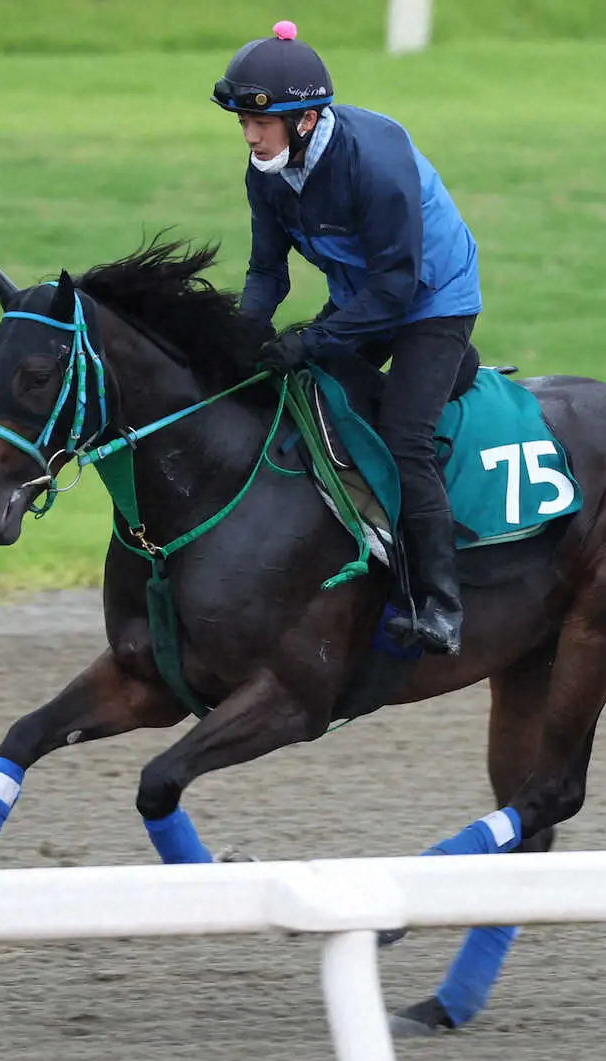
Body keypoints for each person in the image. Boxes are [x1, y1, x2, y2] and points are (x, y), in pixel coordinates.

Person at [212, 20, 482, 657]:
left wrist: (313, 338)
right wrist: (238, 340)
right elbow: (266, 271)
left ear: (305, 120)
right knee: (293, 397)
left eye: (262, 122)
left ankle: (441, 604)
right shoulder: (266, 171)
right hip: (365, 294)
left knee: (403, 436)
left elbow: (397, 288)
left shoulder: (375, 163)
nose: (250, 136)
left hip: (430, 300)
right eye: (243, 123)